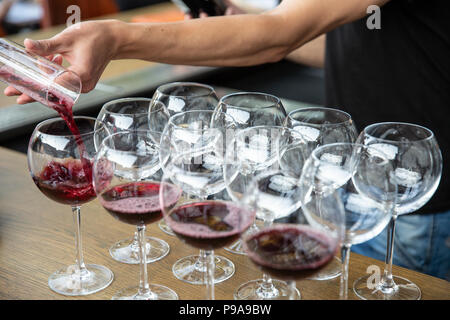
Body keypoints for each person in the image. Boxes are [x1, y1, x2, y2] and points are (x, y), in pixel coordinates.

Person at [4, 0, 449, 280]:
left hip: (410, 198)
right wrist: (244, 23)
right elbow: (338, 44)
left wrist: (114, 38)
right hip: (356, 179)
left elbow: (278, 37)